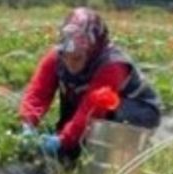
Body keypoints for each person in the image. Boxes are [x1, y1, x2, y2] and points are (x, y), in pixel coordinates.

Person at [19, 7, 162, 162]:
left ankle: (124, 154)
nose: (70, 63)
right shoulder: (56, 56)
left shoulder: (112, 65)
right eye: (66, 56)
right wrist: (28, 124)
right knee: (69, 144)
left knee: (97, 138)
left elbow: (93, 107)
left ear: (92, 51)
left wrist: (63, 140)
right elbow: (38, 92)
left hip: (136, 110)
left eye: (77, 58)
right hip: (92, 103)